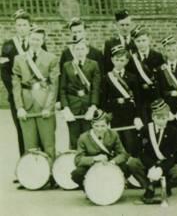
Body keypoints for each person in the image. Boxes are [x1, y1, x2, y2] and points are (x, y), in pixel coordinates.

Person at [12, 26, 59, 162]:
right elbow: (16, 85)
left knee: (48, 143)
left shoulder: (52, 58)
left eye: (38, 39)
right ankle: (33, 179)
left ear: (43, 40)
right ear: (29, 38)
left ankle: (50, 175)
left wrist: (48, 108)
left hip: (44, 103)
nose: (35, 42)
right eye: (33, 39)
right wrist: (19, 107)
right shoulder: (19, 59)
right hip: (26, 105)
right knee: (30, 145)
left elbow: (53, 85)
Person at [127, 99, 177, 204]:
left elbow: (176, 156)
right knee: (132, 163)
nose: (162, 121)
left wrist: (161, 169)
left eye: (165, 117)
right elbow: (139, 152)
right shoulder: (145, 130)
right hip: (149, 162)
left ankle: (166, 186)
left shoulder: (173, 131)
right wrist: (152, 166)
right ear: (153, 117)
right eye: (159, 118)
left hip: (166, 163)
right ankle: (149, 187)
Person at [0, 9, 39, 163]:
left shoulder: (37, 42)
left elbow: (43, 67)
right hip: (17, 96)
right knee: (22, 130)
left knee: (39, 129)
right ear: (15, 27)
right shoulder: (8, 46)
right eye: (19, 25)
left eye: (24, 25)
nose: (21, 27)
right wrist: (17, 93)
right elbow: (4, 73)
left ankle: (43, 166)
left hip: (36, 94)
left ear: (30, 26)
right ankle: (25, 165)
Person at [100, 45, 143, 156]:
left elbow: (138, 99)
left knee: (130, 143)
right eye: (117, 60)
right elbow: (103, 99)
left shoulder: (132, 77)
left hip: (129, 115)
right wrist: (106, 117)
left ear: (127, 61)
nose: (119, 63)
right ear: (112, 60)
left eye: (122, 60)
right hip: (114, 115)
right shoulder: (107, 78)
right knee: (116, 143)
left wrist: (138, 116)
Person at [71, 109, 130, 189]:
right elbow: (78, 160)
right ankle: (89, 189)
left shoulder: (113, 134)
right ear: (92, 125)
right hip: (92, 167)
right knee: (76, 174)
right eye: (96, 126)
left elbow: (123, 154)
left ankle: (115, 185)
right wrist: (94, 159)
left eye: (103, 126)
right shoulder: (83, 137)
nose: (99, 129)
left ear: (107, 125)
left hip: (108, 164)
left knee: (128, 166)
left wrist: (113, 162)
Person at [59, 38, 101, 149]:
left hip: (88, 106)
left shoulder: (94, 64)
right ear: (73, 51)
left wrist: (93, 106)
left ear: (87, 50)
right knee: (74, 140)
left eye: (82, 48)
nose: (79, 51)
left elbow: (96, 88)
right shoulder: (67, 66)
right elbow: (62, 89)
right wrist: (66, 107)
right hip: (73, 107)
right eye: (77, 49)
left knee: (89, 138)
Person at [127, 25, 165, 123]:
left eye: (144, 40)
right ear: (134, 42)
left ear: (149, 39)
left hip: (156, 95)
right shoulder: (132, 60)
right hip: (141, 97)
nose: (141, 44)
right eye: (138, 41)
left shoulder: (157, 56)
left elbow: (161, 78)